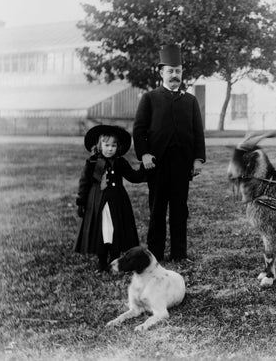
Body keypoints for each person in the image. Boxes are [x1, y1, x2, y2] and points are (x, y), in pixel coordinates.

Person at [133, 44, 206, 262]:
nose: (175, 75)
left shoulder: (190, 101)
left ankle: (179, 254)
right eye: (170, 71)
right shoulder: (150, 98)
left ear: (182, 72)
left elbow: (197, 133)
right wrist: (144, 154)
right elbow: (139, 130)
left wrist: (198, 159)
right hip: (157, 165)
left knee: (179, 210)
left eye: (178, 71)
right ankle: (154, 254)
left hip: (182, 165)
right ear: (161, 72)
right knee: (157, 211)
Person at [75, 124, 144, 272]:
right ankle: (101, 262)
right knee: (102, 230)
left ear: (118, 147)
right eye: (106, 145)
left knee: (115, 229)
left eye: (113, 145)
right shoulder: (92, 163)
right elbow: (84, 183)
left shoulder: (120, 162)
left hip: (117, 202)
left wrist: (145, 168)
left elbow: (133, 176)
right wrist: (81, 202)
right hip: (97, 202)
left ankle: (114, 261)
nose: (110, 148)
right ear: (99, 145)